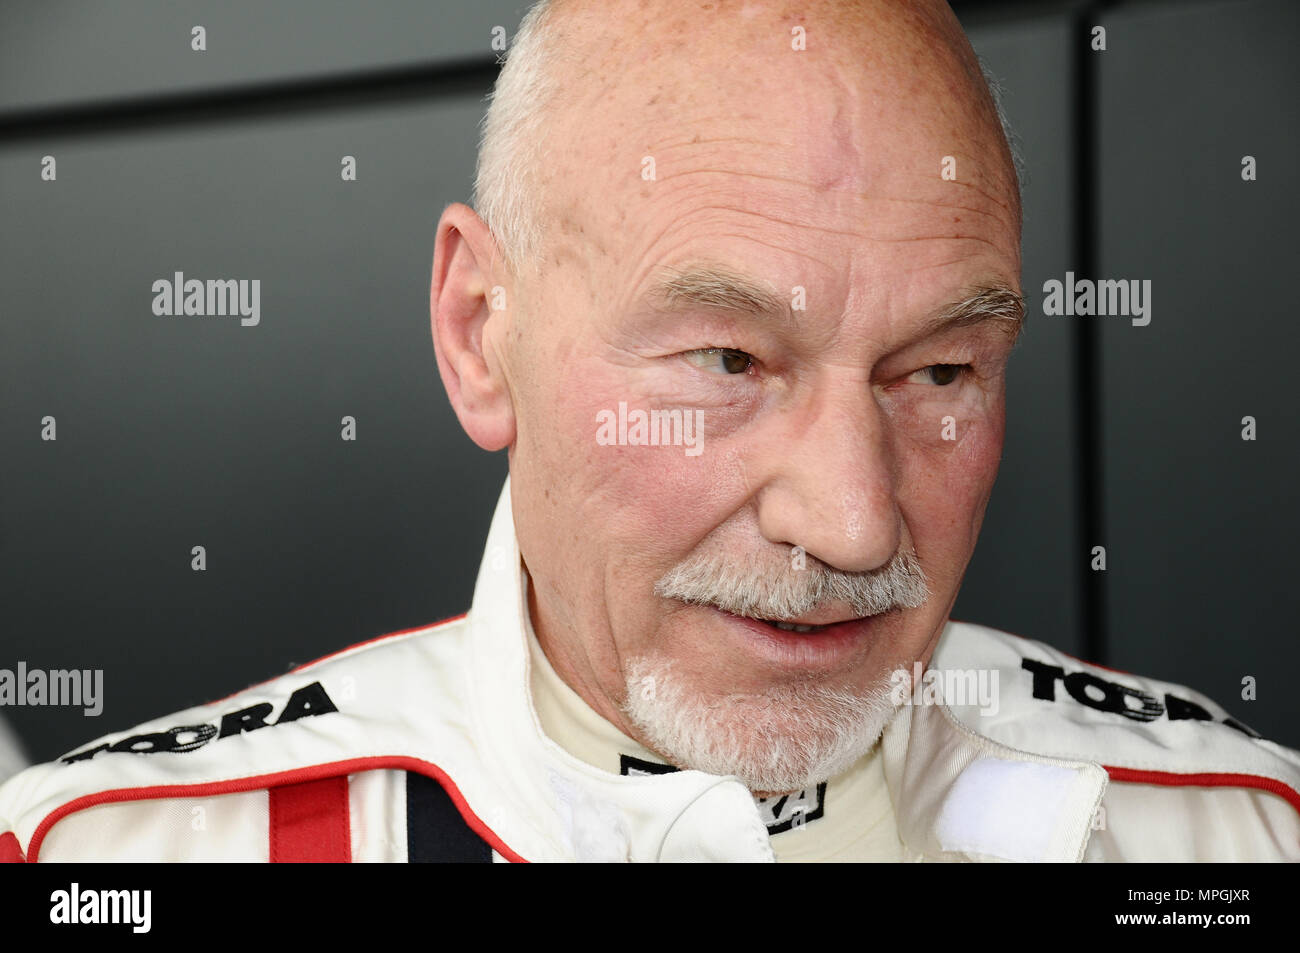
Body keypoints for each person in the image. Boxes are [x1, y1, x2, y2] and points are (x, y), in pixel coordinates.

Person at [2, 0, 1297, 863]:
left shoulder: (1244, 834)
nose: (851, 521)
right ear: (476, 331)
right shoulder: (98, 860)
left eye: (940, 369)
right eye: (729, 359)